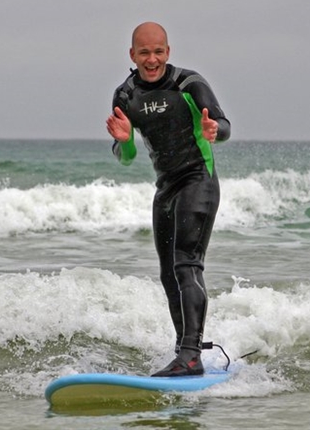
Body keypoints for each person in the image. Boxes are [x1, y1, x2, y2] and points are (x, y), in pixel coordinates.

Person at [105, 22, 231, 377]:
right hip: (166, 188)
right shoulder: (126, 95)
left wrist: (215, 130)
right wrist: (125, 140)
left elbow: (223, 125)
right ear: (133, 55)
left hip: (198, 179)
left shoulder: (188, 84)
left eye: (158, 52)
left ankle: (191, 355)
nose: (152, 60)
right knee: (167, 273)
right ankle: (184, 350)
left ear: (168, 52)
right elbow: (126, 155)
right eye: (144, 53)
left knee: (186, 264)